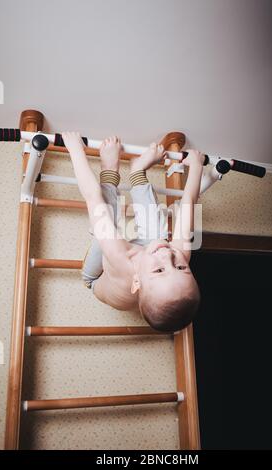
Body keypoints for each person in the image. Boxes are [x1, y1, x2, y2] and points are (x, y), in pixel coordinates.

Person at [62, 132, 204, 332]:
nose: (167, 255)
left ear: (137, 281)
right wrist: (197, 167)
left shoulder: (121, 260)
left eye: (160, 270)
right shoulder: (178, 256)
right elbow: (189, 204)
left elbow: (93, 199)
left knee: (106, 220)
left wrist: (75, 149)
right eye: (181, 268)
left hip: (98, 276)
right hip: (142, 258)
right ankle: (138, 170)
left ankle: (109, 167)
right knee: (158, 236)